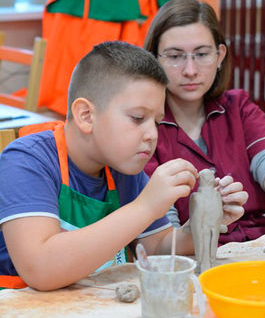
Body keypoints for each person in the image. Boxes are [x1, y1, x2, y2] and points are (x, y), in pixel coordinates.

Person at [0, 41, 242, 291]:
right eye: (137, 118)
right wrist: (146, 206)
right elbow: (40, 269)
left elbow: (157, 246)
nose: (151, 134)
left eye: (157, 122)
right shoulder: (27, 161)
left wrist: (199, 225)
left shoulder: (124, 169)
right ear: (86, 115)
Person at [144, 0, 265, 244]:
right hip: (193, 254)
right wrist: (207, 222)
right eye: (175, 56)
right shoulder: (146, 127)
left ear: (220, 55)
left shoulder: (238, 107)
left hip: (259, 241)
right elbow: (164, 242)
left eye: (201, 54)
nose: (190, 70)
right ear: (154, 59)